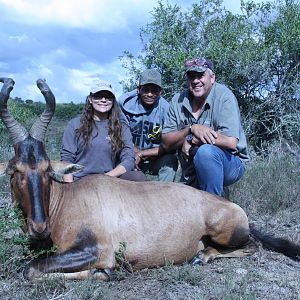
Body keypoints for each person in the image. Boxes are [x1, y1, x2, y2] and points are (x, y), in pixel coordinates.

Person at [161, 57, 249, 197]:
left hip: (231, 162)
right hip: (191, 167)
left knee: (206, 152)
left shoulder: (224, 96)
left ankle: (214, 207)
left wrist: (191, 139)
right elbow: (166, 142)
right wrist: (191, 129)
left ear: (212, 78)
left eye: (200, 75)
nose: (195, 81)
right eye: (191, 76)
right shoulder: (177, 100)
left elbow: (230, 142)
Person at [60, 80, 146, 182]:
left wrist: (104, 178)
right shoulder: (74, 124)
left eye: (108, 97)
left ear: (113, 101)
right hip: (80, 182)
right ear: (90, 99)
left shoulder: (122, 127)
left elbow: (128, 160)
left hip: (110, 179)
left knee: (138, 177)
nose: (103, 100)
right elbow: (67, 159)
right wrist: (70, 187)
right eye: (98, 96)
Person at [118, 69, 178, 182]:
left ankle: (162, 194)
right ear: (138, 89)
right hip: (128, 153)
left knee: (170, 161)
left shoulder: (167, 109)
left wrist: (142, 154)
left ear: (161, 92)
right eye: (146, 90)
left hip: (154, 156)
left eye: (154, 90)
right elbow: (119, 133)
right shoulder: (124, 104)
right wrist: (133, 152)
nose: (150, 94)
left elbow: (169, 145)